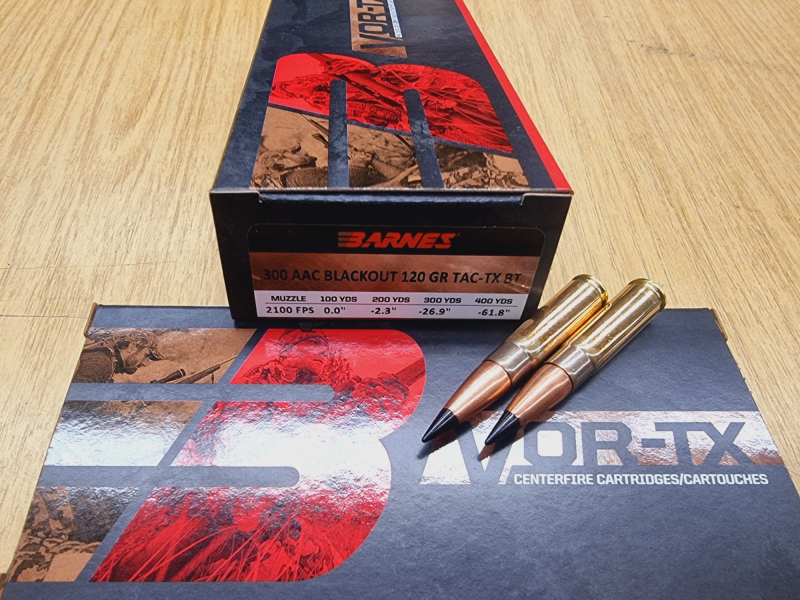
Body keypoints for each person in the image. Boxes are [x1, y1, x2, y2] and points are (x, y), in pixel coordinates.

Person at [72, 329, 165, 383]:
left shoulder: (108, 360)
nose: (145, 363)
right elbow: (76, 397)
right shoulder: (102, 363)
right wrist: (106, 406)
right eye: (146, 355)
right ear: (132, 347)